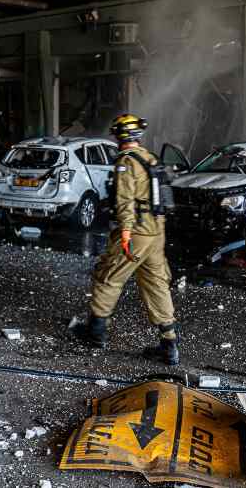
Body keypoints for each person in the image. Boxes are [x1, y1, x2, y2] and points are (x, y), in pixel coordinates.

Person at [70, 113, 179, 365]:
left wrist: (126, 232)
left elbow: (125, 200)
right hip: (155, 233)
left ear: (119, 136)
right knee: (156, 284)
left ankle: (95, 334)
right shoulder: (151, 158)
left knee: (108, 276)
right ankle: (169, 345)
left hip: (136, 232)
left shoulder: (126, 162)